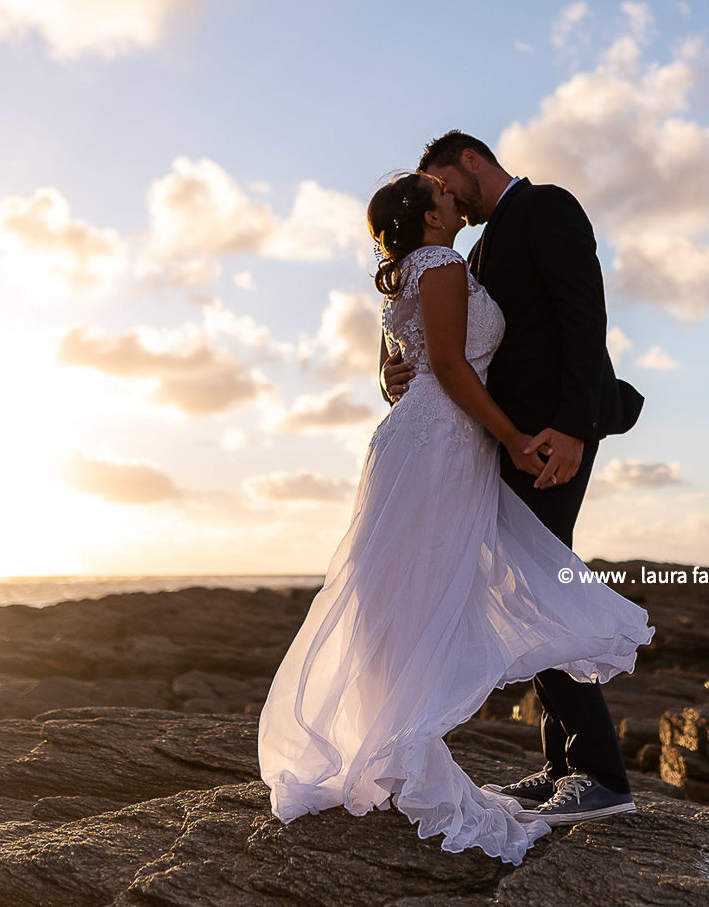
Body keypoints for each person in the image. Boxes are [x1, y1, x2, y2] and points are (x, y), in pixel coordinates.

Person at [257, 167, 653, 866]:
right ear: (430, 215)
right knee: (440, 589)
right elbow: (442, 360)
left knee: (423, 588)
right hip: (446, 439)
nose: (451, 193)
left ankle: (444, 745)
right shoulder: (440, 261)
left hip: (436, 440)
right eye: (438, 191)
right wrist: (507, 435)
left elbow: (409, 354)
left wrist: (392, 374)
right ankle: (458, 750)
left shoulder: (420, 265)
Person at [384, 130, 644, 825]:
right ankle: (563, 761)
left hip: (550, 436)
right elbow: (446, 339)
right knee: (522, 583)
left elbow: (584, 318)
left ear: (469, 161)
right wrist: (394, 364)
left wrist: (572, 426)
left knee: (537, 587)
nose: (439, 195)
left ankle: (600, 773)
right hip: (507, 442)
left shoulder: (549, 207)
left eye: (441, 180)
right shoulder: (475, 248)